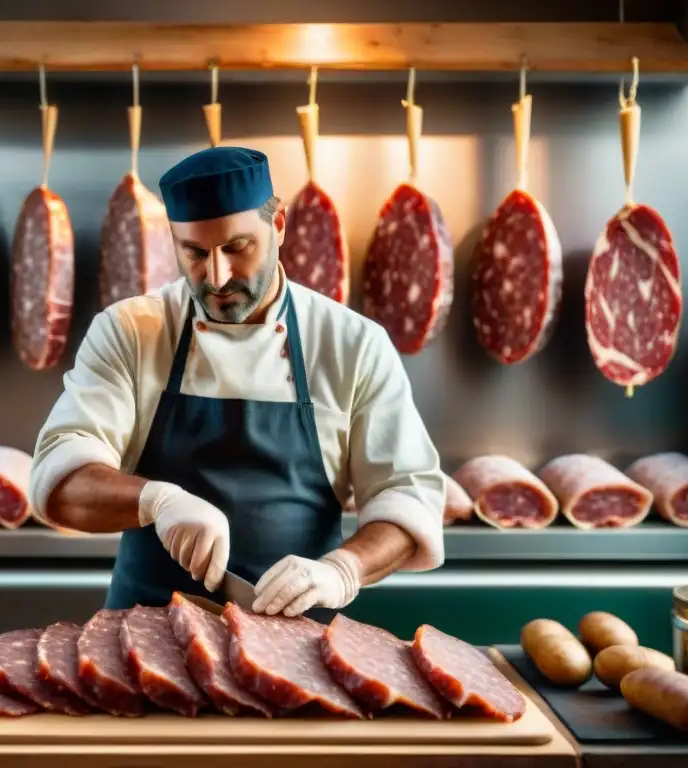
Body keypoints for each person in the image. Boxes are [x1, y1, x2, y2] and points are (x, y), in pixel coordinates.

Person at [29, 145, 445, 620]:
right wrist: (156, 501)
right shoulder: (130, 331)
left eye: (237, 247)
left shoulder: (352, 343)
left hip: (297, 651)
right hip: (144, 640)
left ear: (279, 226)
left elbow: (407, 496)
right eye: (195, 253)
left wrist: (343, 570)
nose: (218, 276)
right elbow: (59, 476)